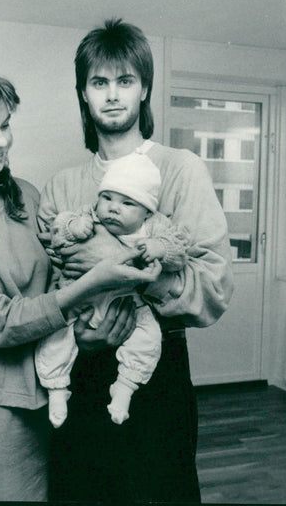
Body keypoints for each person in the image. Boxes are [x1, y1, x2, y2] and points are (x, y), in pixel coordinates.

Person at [0, 46, 161, 502]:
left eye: (5, 126)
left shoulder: (22, 193)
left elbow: (57, 277)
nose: (1, 141)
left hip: (48, 390)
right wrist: (93, 284)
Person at [38, 19, 234, 503]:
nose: (112, 95)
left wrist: (119, 261)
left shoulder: (179, 169)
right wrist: (79, 330)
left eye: (125, 81)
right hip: (77, 372)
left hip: (157, 372)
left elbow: (213, 291)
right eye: (99, 82)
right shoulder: (61, 187)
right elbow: (45, 296)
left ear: (144, 89)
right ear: (83, 93)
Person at [35, 152, 189, 427]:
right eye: (107, 197)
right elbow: (57, 233)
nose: (112, 208)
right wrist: (73, 228)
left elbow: (179, 253)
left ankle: (125, 387)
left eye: (127, 202)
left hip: (126, 301)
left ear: (146, 210)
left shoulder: (155, 227)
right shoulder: (88, 215)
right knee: (55, 336)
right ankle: (57, 388)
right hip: (81, 296)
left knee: (149, 337)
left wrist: (159, 248)